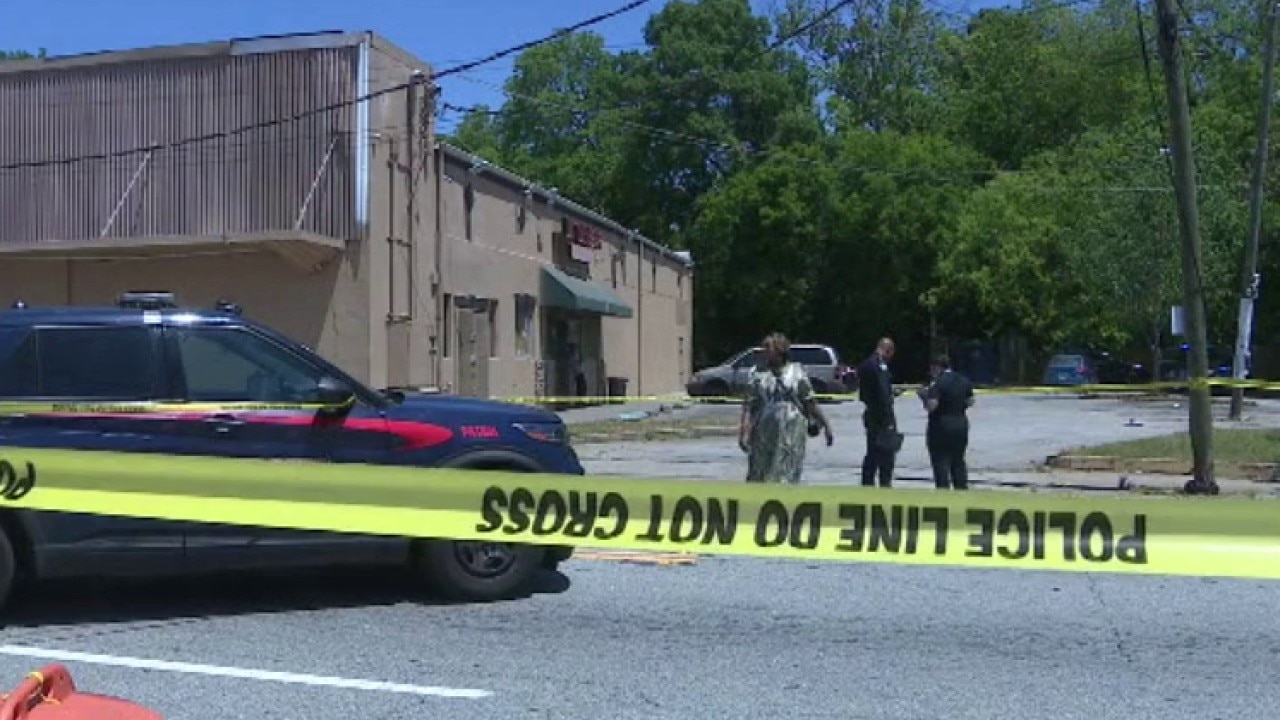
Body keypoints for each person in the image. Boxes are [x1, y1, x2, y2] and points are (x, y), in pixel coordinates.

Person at [738, 332, 834, 484]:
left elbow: (809, 401)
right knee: (760, 473)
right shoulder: (757, 374)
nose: (764, 351)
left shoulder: (797, 372)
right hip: (763, 432)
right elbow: (748, 405)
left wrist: (826, 426)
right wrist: (743, 431)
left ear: (780, 350)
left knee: (786, 473)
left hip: (791, 433)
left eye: (768, 347)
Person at [920, 353, 975, 490]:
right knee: (958, 460)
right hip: (960, 423)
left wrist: (924, 396)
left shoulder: (938, 384)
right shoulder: (963, 380)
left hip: (941, 425)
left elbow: (931, 406)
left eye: (932, 369)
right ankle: (961, 489)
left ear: (937, 367)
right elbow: (970, 401)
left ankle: (943, 492)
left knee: (940, 461)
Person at [858, 337, 899, 487]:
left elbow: (864, 394)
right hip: (882, 418)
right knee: (886, 456)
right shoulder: (879, 366)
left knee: (872, 453)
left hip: (871, 414)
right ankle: (884, 486)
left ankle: (867, 485)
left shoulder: (865, 365)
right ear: (888, 350)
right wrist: (888, 420)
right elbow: (882, 394)